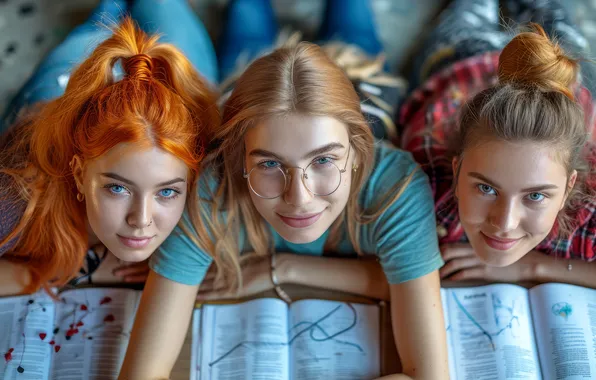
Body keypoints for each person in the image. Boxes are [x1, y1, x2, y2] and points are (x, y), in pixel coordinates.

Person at [120, 0, 449, 379]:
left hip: (366, 83)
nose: (299, 197)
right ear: (239, 160)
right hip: (245, 84)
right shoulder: (210, 191)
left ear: (358, 153)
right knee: (248, 18)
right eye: (270, 164)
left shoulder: (397, 188)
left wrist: (281, 267)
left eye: (324, 161)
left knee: (351, 16)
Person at [0, 0, 219, 296]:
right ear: (78, 174)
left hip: (168, 84)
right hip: (58, 89)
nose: (141, 220)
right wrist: (82, 269)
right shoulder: (16, 195)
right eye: (117, 188)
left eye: (167, 191)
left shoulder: (210, 170)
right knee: (102, 23)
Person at [400, 0, 596, 287]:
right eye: (486, 188)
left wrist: (535, 267)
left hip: (553, 79)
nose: (504, 224)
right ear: (456, 172)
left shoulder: (590, 208)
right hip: (464, 60)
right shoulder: (421, 182)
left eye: (536, 196)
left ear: (569, 187)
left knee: (552, 31)